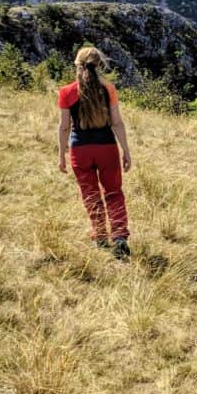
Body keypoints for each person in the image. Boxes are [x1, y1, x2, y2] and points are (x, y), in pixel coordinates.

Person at [57, 46, 132, 259]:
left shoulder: (66, 92)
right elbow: (117, 123)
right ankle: (119, 237)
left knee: (90, 194)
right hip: (107, 147)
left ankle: (99, 235)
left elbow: (64, 127)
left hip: (79, 149)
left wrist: (61, 154)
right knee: (114, 192)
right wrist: (126, 151)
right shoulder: (108, 90)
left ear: (77, 66)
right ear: (99, 65)